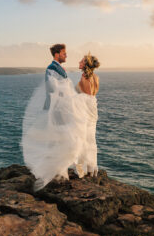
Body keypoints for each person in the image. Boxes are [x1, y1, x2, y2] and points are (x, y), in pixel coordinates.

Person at [21, 44, 100, 190]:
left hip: (82, 108)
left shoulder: (83, 76)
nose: (67, 56)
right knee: (87, 138)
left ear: (85, 65)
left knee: (79, 138)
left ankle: (67, 169)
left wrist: (71, 99)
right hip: (88, 109)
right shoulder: (94, 77)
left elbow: (83, 96)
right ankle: (87, 168)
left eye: (82, 60)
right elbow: (54, 89)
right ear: (57, 54)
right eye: (64, 53)